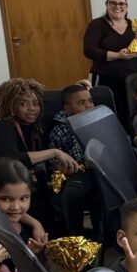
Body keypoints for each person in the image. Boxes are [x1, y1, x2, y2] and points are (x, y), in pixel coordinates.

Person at [0, 78, 80, 235]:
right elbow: (10, 160)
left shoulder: (34, 127)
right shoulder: (2, 126)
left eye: (35, 104)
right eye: (23, 104)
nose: (31, 109)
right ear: (12, 106)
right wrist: (55, 152)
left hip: (16, 188)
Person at [83, 0, 137, 129]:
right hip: (106, 79)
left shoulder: (134, 26)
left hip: (132, 81)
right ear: (106, 5)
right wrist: (117, 55)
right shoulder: (97, 25)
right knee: (108, 116)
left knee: (134, 117)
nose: (117, 6)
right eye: (113, 3)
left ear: (127, 6)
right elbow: (89, 51)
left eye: (121, 3)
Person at [49, 83, 102, 237]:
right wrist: (62, 166)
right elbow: (54, 157)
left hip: (100, 168)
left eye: (90, 101)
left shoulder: (98, 120)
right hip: (78, 171)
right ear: (67, 109)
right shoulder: (61, 129)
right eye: (81, 103)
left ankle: (101, 234)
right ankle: (76, 235)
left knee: (99, 195)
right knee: (72, 194)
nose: (88, 106)